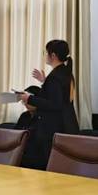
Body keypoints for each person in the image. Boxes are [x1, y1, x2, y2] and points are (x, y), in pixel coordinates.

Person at [18, 39, 79, 168]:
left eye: (46, 53)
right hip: (67, 124)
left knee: (51, 166)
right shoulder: (65, 73)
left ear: (53, 55)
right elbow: (59, 96)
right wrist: (44, 81)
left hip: (53, 128)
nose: (45, 55)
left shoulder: (55, 76)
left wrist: (29, 98)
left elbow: (54, 104)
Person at [15, 85, 46, 170]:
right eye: (24, 100)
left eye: (29, 99)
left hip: (37, 158)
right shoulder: (24, 116)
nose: (26, 103)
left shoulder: (45, 118)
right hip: (21, 153)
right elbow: (15, 134)